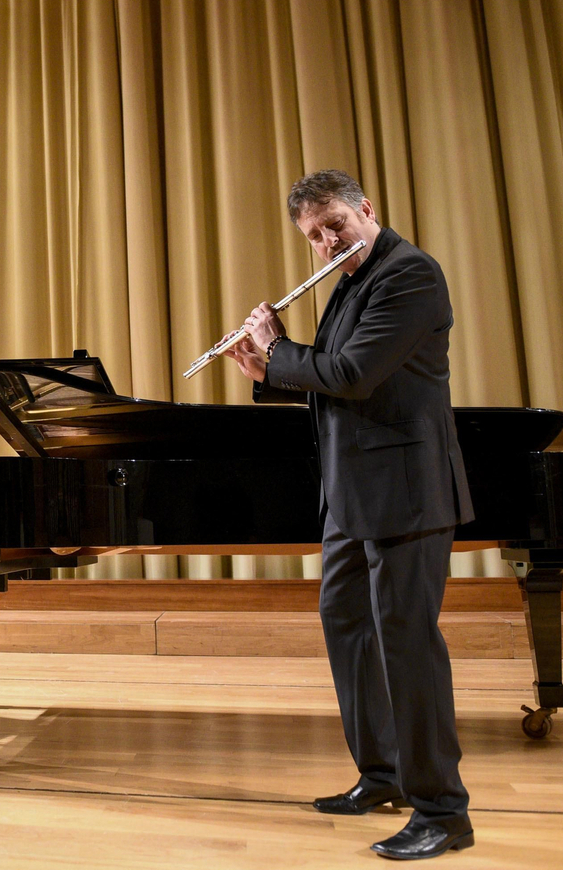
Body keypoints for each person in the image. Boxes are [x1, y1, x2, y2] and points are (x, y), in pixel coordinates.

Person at [223, 170, 474, 860]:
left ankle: (444, 811)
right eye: (314, 235)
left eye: (335, 223)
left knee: (406, 645)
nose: (328, 240)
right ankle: (383, 774)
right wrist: (264, 368)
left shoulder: (408, 274)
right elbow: (332, 376)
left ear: (366, 209)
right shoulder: (349, 281)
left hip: (406, 490)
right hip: (352, 494)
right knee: (347, 629)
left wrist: (278, 352)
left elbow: (355, 373)